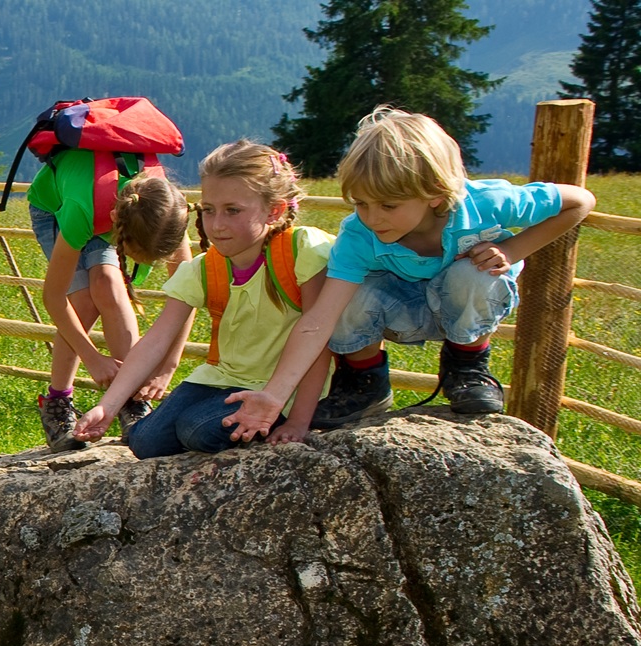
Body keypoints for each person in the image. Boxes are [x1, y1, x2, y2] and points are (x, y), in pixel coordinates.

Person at [222, 107, 596, 440]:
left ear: (435, 193)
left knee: (474, 275)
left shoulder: (486, 204)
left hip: (463, 304)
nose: (372, 217)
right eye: (361, 203)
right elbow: (318, 321)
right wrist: (274, 396)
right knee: (341, 296)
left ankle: (467, 366)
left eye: (388, 205)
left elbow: (581, 201)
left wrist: (512, 250)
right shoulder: (359, 235)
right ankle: (364, 381)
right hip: (401, 310)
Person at [75, 141, 334, 457]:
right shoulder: (205, 268)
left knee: (196, 430)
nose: (217, 225)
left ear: (274, 210)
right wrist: (108, 406)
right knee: (145, 440)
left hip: (283, 385)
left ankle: (265, 417)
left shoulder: (301, 251)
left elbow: (319, 338)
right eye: (209, 210)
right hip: (223, 378)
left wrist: (298, 421)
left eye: (233, 211)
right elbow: (157, 339)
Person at [27, 124, 192, 452]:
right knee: (84, 302)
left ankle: (132, 400)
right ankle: (57, 403)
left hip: (109, 207)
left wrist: (168, 366)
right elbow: (54, 298)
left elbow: (188, 293)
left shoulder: (167, 212)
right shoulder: (82, 211)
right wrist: (92, 358)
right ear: (118, 228)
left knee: (109, 285)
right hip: (56, 208)